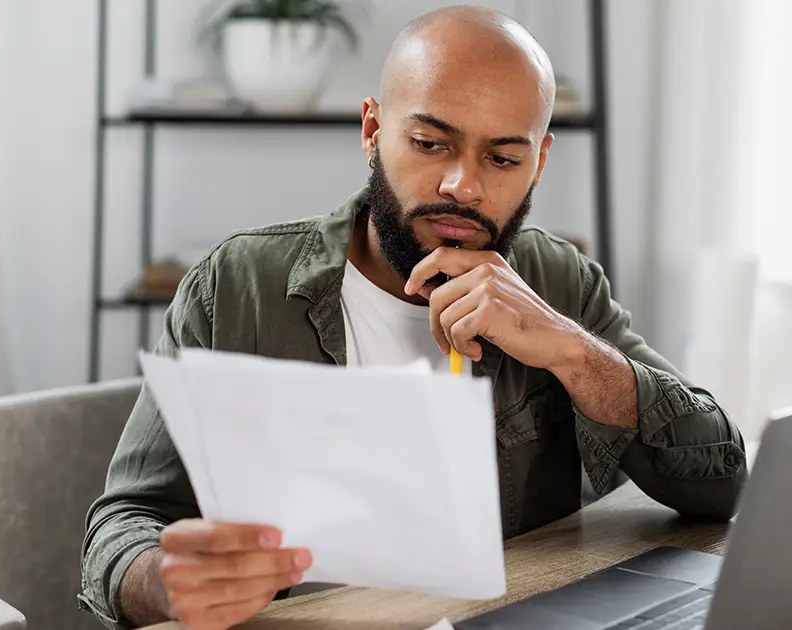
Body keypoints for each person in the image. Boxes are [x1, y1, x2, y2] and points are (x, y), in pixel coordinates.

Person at [78, 6, 747, 630]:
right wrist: (167, 580)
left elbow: (719, 483)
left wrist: (570, 352)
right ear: (373, 130)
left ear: (538, 162)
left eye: (504, 158)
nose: (463, 184)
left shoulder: (558, 280)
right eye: (431, 143)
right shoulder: (237, 287)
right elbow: (122, 523)